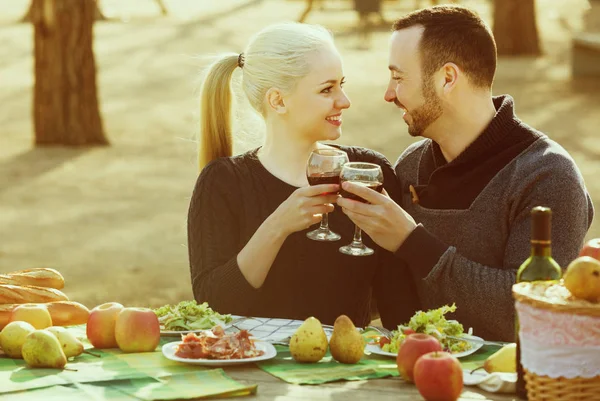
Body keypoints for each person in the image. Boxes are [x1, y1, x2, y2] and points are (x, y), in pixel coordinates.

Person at [337, 6, 594, 341]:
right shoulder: (410, 166)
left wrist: (411, 242)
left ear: (447, 78)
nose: (389, 94)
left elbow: (529, 315)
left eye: (399, 78)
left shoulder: (547, 175)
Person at [188, 22, 419, 328]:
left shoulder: (368, 174)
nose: (345, 101)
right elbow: (213, 306)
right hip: (254, 371)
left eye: (342, 84)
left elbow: (400, 307)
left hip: (346, 371)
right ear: (278, 100)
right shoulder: (222, 182)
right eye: (327, 89)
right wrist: (278, 226)